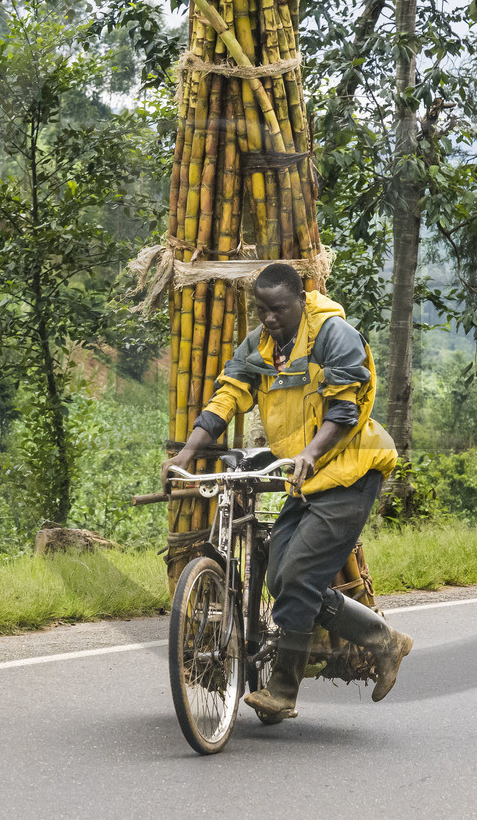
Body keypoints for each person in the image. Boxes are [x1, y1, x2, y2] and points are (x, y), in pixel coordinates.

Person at [163, 262, 412, 721]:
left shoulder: (333, 334)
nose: (269, 318)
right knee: (282, 579)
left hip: (352, 470)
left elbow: (344, 408)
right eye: (262, 309)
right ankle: (384, 640)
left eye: (278, 309)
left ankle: (282, 690)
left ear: (302, 298)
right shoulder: (260, 345)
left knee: (297, 578)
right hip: (307, 477)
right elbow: (226, 398)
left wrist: (311, 454)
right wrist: (186, 455)